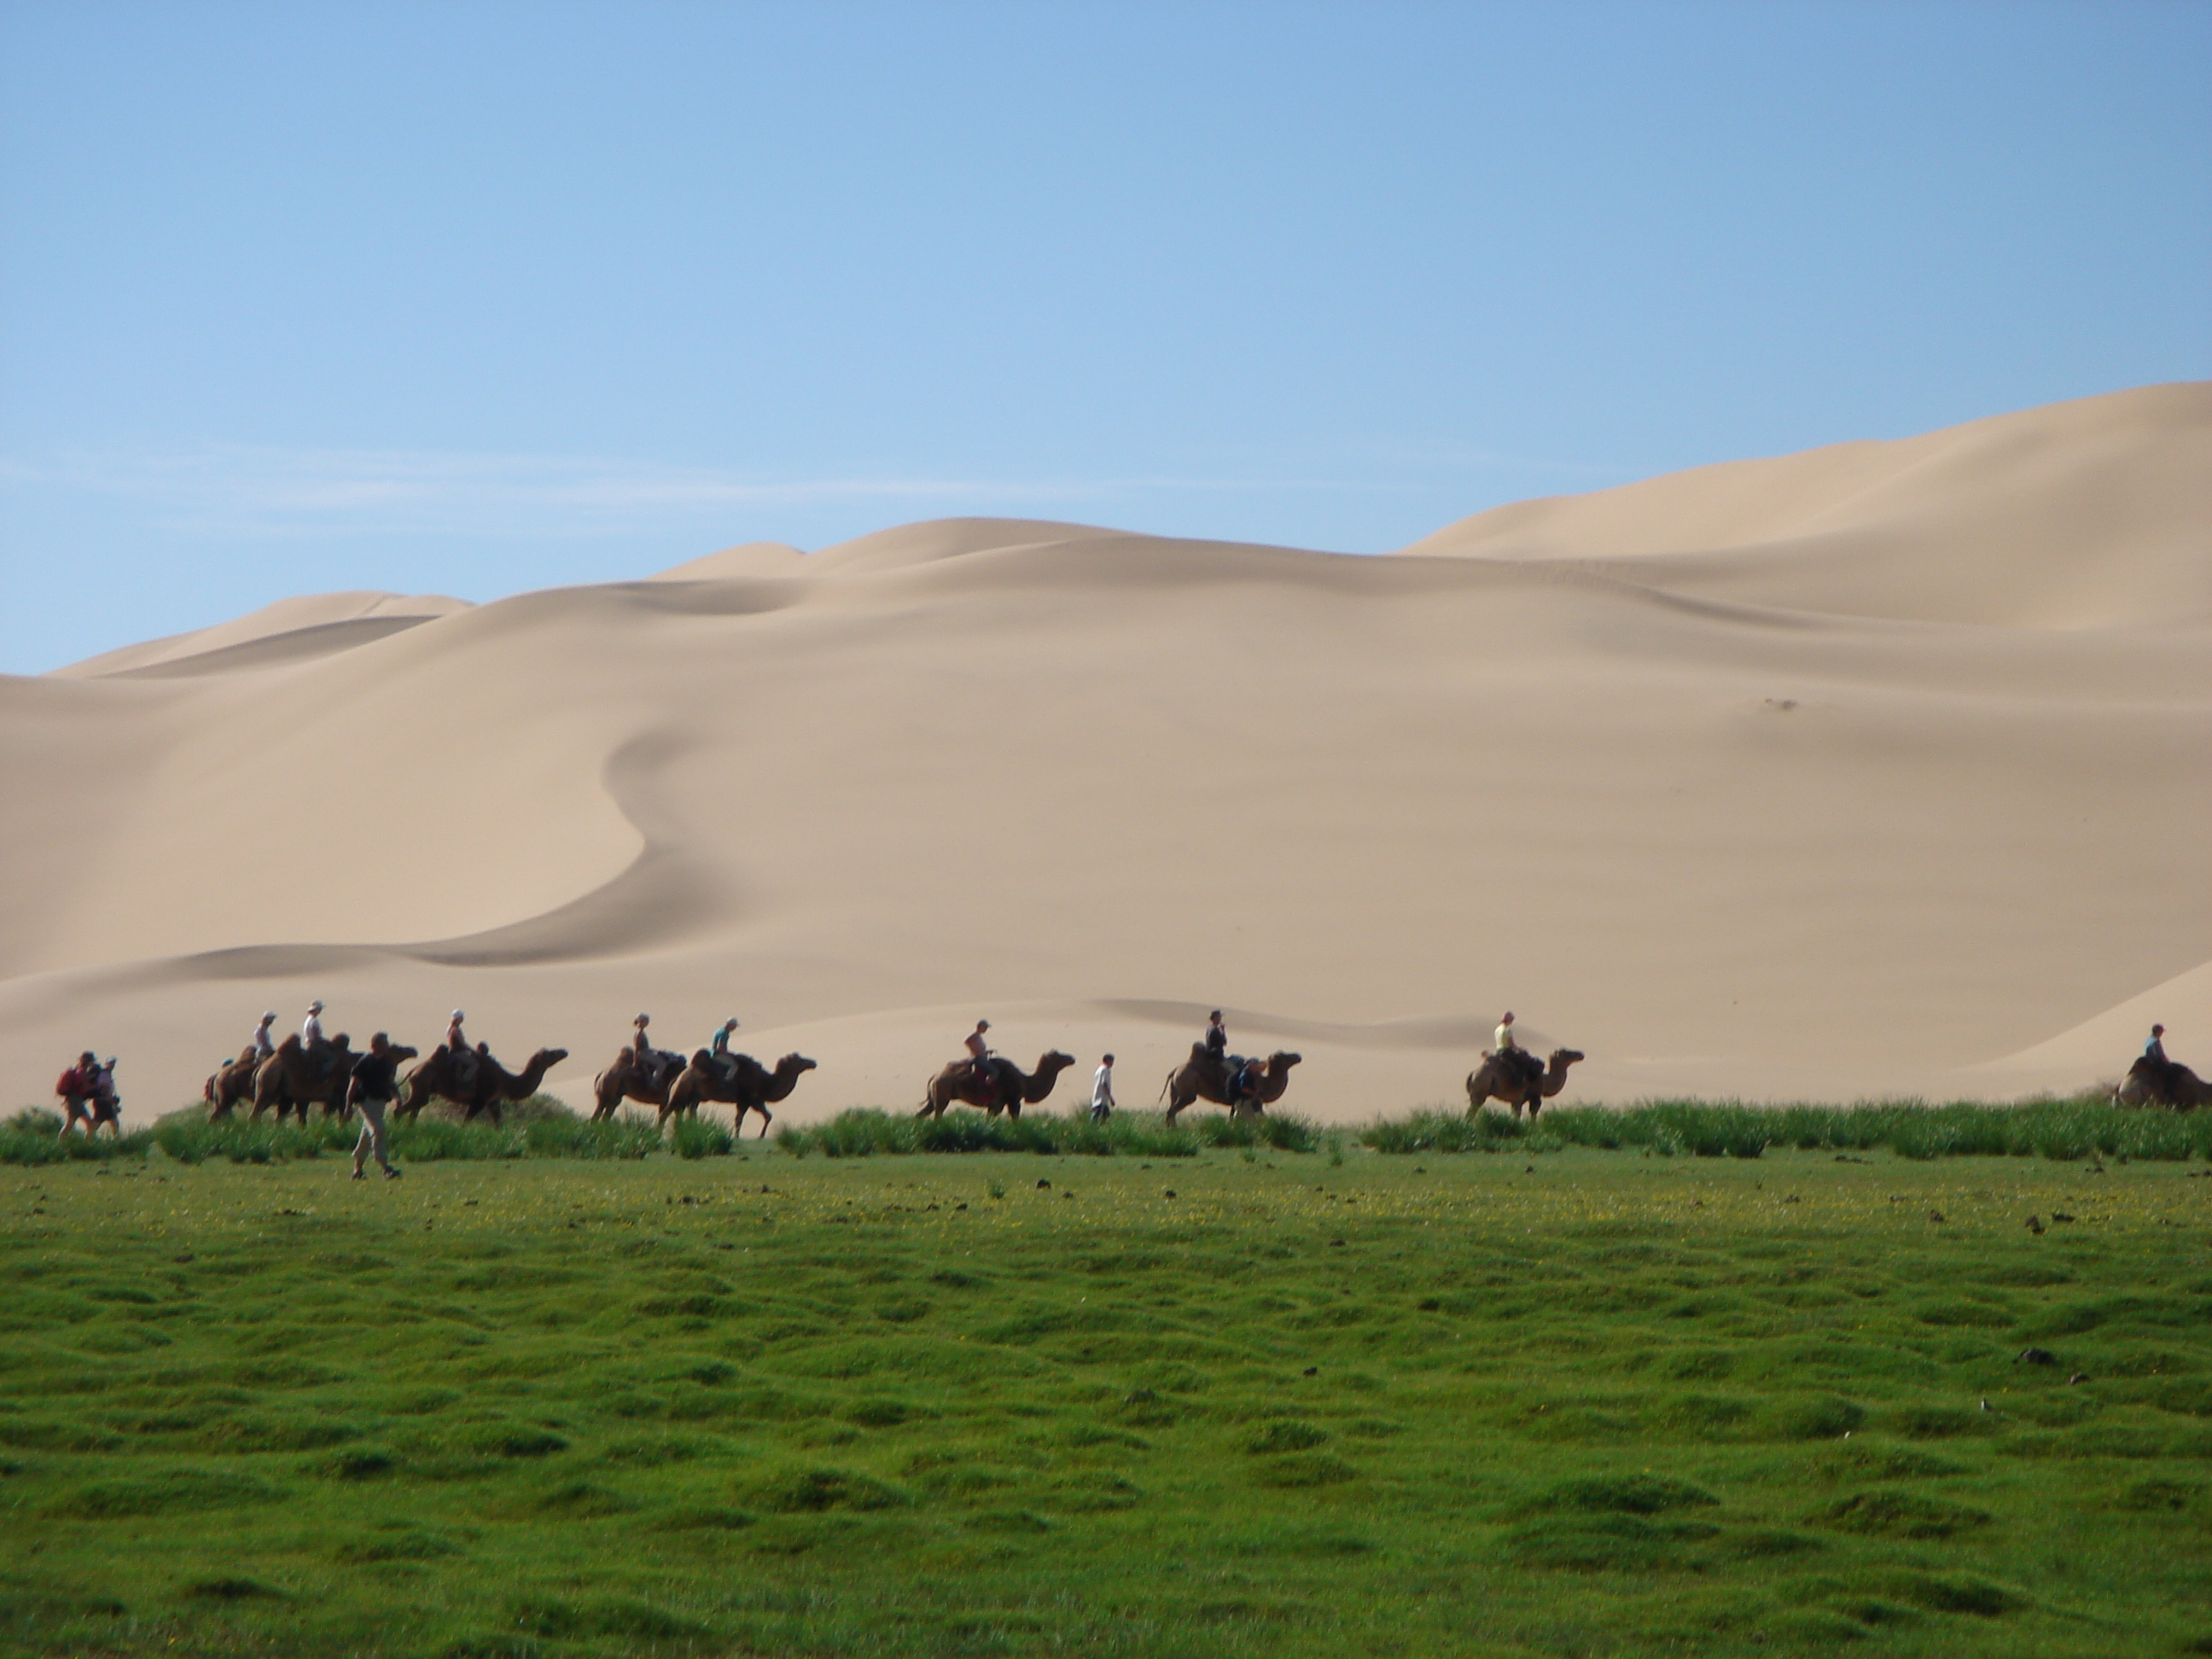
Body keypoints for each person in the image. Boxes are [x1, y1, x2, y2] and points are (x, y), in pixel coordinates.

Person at [347, 1033, 405, 1181]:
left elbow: (390, 1082)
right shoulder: (365, 1061)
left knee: (366, 1136)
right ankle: (385, 1168)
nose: (387, 1045)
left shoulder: (386, 1062)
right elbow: (353, 1085)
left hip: (380, 1102)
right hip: (366, 1102)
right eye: (384, 1043)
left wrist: (398, 1099)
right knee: (379, 1130)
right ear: (375, 1045)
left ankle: (357, 1171)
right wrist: (348, 1107)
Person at [55, 1051, 98, 1136]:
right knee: (78, 1125)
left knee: (73, 1124)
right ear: (89, 1061)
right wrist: (96, 1086)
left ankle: (60, 1144)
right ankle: (88, 1145)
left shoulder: (77, 1070)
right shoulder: (83, 1072)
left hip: (73, 1100)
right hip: (76, 1101)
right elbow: (87, 1087)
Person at [1494, 1010, 1540, 1090]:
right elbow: (1511, 1044)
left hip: (1498, 1051)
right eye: (1511, 1020)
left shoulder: (1497, 1029)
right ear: (1509, 1020)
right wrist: (1519, 1049)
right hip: (1507, 1052)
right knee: (1523, 1062)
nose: (1512, 1021)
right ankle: (1518, 1081)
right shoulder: (1507, 1030)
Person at [709, 1017, 740, 1081]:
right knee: (734, 1066)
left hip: (713, 1053)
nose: (734, 1028)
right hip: (717, 1055)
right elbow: (720, 1047)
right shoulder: (724, 1033)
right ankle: (726, 1082)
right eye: (734, 1026)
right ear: (730, 1025)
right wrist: (728, 1053)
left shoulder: (719, 1030)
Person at [1091, 1053, 1115, 1123]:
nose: (1112, 1064)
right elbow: (1104, 1084)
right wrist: (1111, 1098)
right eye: (1111, 1062)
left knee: (1105, 1115)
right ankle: (1092, 1128)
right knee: (1097, 1115)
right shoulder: (1104, 1070)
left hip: (1099, 1098)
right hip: (1101, 1099)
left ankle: (1099, 1129)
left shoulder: (1099, 1070)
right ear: (1107, 1061)